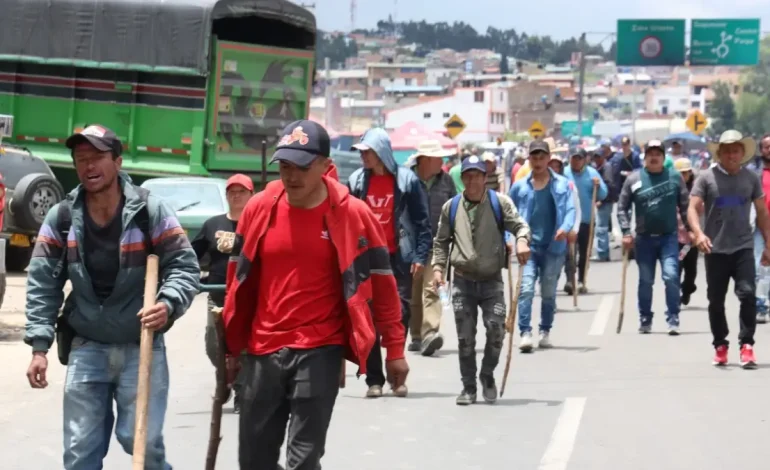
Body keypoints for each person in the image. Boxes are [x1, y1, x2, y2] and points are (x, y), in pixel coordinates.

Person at [223, 120, 409, 469]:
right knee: (254, 460)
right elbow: (237, 280)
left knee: (304, 459)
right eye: (285, 166)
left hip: (320, 348)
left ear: (325, 166)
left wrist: (395, 349)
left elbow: (384, 287)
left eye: (302, 167)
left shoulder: (354, 215)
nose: (291, 176)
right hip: (262, 349)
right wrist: (232, 347)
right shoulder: (259, 208)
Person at [24, 124, 200, 469]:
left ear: (117, 162)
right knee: (80, 454)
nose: (88, 166)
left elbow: (184, 266)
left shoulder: (150, 212)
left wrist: (167, 303)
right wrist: (39, 347)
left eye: (97, 157)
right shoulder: (63, 217)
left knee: (142, 444)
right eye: (81, 159)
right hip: (87, 346)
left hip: (141, 343)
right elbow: (42, 282)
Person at [432, 155, 531, 405]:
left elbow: (520, 226)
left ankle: (487, 374)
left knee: (496, 330)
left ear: (485, 178)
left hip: (491, 281)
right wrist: (438, 269)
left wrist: (521, 241)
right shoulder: (451, 207)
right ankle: (468, 387)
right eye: (468, 176)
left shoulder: (500, 203)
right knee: (465, 338)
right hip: (462, 281)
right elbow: (441, 241)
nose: (472, 181)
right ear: (462, 178)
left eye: (477, 175)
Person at [349, 127, 431, 398]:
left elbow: (422, 222)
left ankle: (395, 370)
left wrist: (420, 256)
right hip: (366, 258)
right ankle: (374, 379)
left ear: (381, 152)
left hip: (399, 257)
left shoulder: (407, 181)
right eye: (361, 152)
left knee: (400, 313)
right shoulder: (356, 181)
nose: (363, 157)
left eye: (368, 152)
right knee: (368, 316)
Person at [688, 130, 770, 368]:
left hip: (743, 246)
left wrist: (768, 243)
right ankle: (720, 345)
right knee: (716, 300)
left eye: (736, 151)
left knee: (748, 294)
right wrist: (699, 234)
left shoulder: (751, 178)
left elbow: (762, 211)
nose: (732, 155)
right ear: (720, 154)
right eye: (727, 151)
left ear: (742, 153)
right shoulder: (706, 177)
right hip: (715, 249)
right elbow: (692, 208)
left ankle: (747, 345)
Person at [192, 173, 254, 413]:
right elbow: (191, 255)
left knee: (244, 347)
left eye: (242, 192)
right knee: (213, 344)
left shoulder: (257, 224)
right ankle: (225, 375)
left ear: (251, 195)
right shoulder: (213, 225)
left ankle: (241, 390)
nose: (236, 196)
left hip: (247, 297)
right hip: (217, 296)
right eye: (232, 192)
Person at [618, 140, 691, 335]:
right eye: (650, 153)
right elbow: (622, 207)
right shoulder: (634, 179)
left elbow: (685, 206)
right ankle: (645, 318)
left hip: (669, 238)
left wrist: (691, 230)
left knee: (671, 276)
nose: (654, 157)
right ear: (645, 157)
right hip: (644, 239)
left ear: (663, 157)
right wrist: (626, 232)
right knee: (646, 280)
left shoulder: (675, 177)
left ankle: (673, 317)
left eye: (658, 154)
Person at [509, 141, 576, 351]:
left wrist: (565, 228)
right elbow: (508, 214)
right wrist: (508, 239)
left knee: (548, 292)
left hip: (554, 247)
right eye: (534, 158)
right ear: (529, 159)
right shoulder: (519, 186)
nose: (538, 162)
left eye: (541, 157)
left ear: (548, 159)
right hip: (528, 247)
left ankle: (545, 330)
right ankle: (525, 332)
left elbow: (570, 210)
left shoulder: (562, 184)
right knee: (526, 289)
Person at [406, 140, 457, 355]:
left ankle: (430, 333)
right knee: (413, 293)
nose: (442, 161)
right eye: (438, 158)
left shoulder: (446, 181)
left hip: (438, 243)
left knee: (433, 288)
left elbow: (455, 208)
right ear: (425, 160)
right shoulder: (407, 180)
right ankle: (417, 335)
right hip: (411, 245)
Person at [563, 148, 608, 294]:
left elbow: (603, 195)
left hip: (587, 220)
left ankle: (582, 280)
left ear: (584, 160)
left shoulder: (592, 173)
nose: (576, 161)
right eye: (573, 158)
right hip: (569, 220)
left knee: (584, 252)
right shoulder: (565, 173)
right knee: (570, 252)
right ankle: (570, 280)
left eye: (579, 158)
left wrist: (598, 186)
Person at [749, 134, 770, 323]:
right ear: (761, 150)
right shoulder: (753, 173)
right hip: (760, 225)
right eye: (766, 147)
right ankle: (761, 305)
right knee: (759, 266)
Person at [673, 158, 699, 306]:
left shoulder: (697, 190)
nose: (683, 176)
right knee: (676, 268)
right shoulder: (671, 189)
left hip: (692, 240)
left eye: (685, 173)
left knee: (691, 271)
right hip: (676, 238)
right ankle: (674, 297)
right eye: (680, 173)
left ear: (690, 173)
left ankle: (687, 289)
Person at [591, 147, 617, 262]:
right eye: (595, 157)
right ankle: (602, 252)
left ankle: (602, 253)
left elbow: (609, 185)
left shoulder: (607, 167)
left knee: (601, 227)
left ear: (603, 157)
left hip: (605, 201)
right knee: (601, 227)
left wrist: (602, 200)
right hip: (602, 200)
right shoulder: (598, 167)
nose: (596, 159)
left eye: (598, 157)